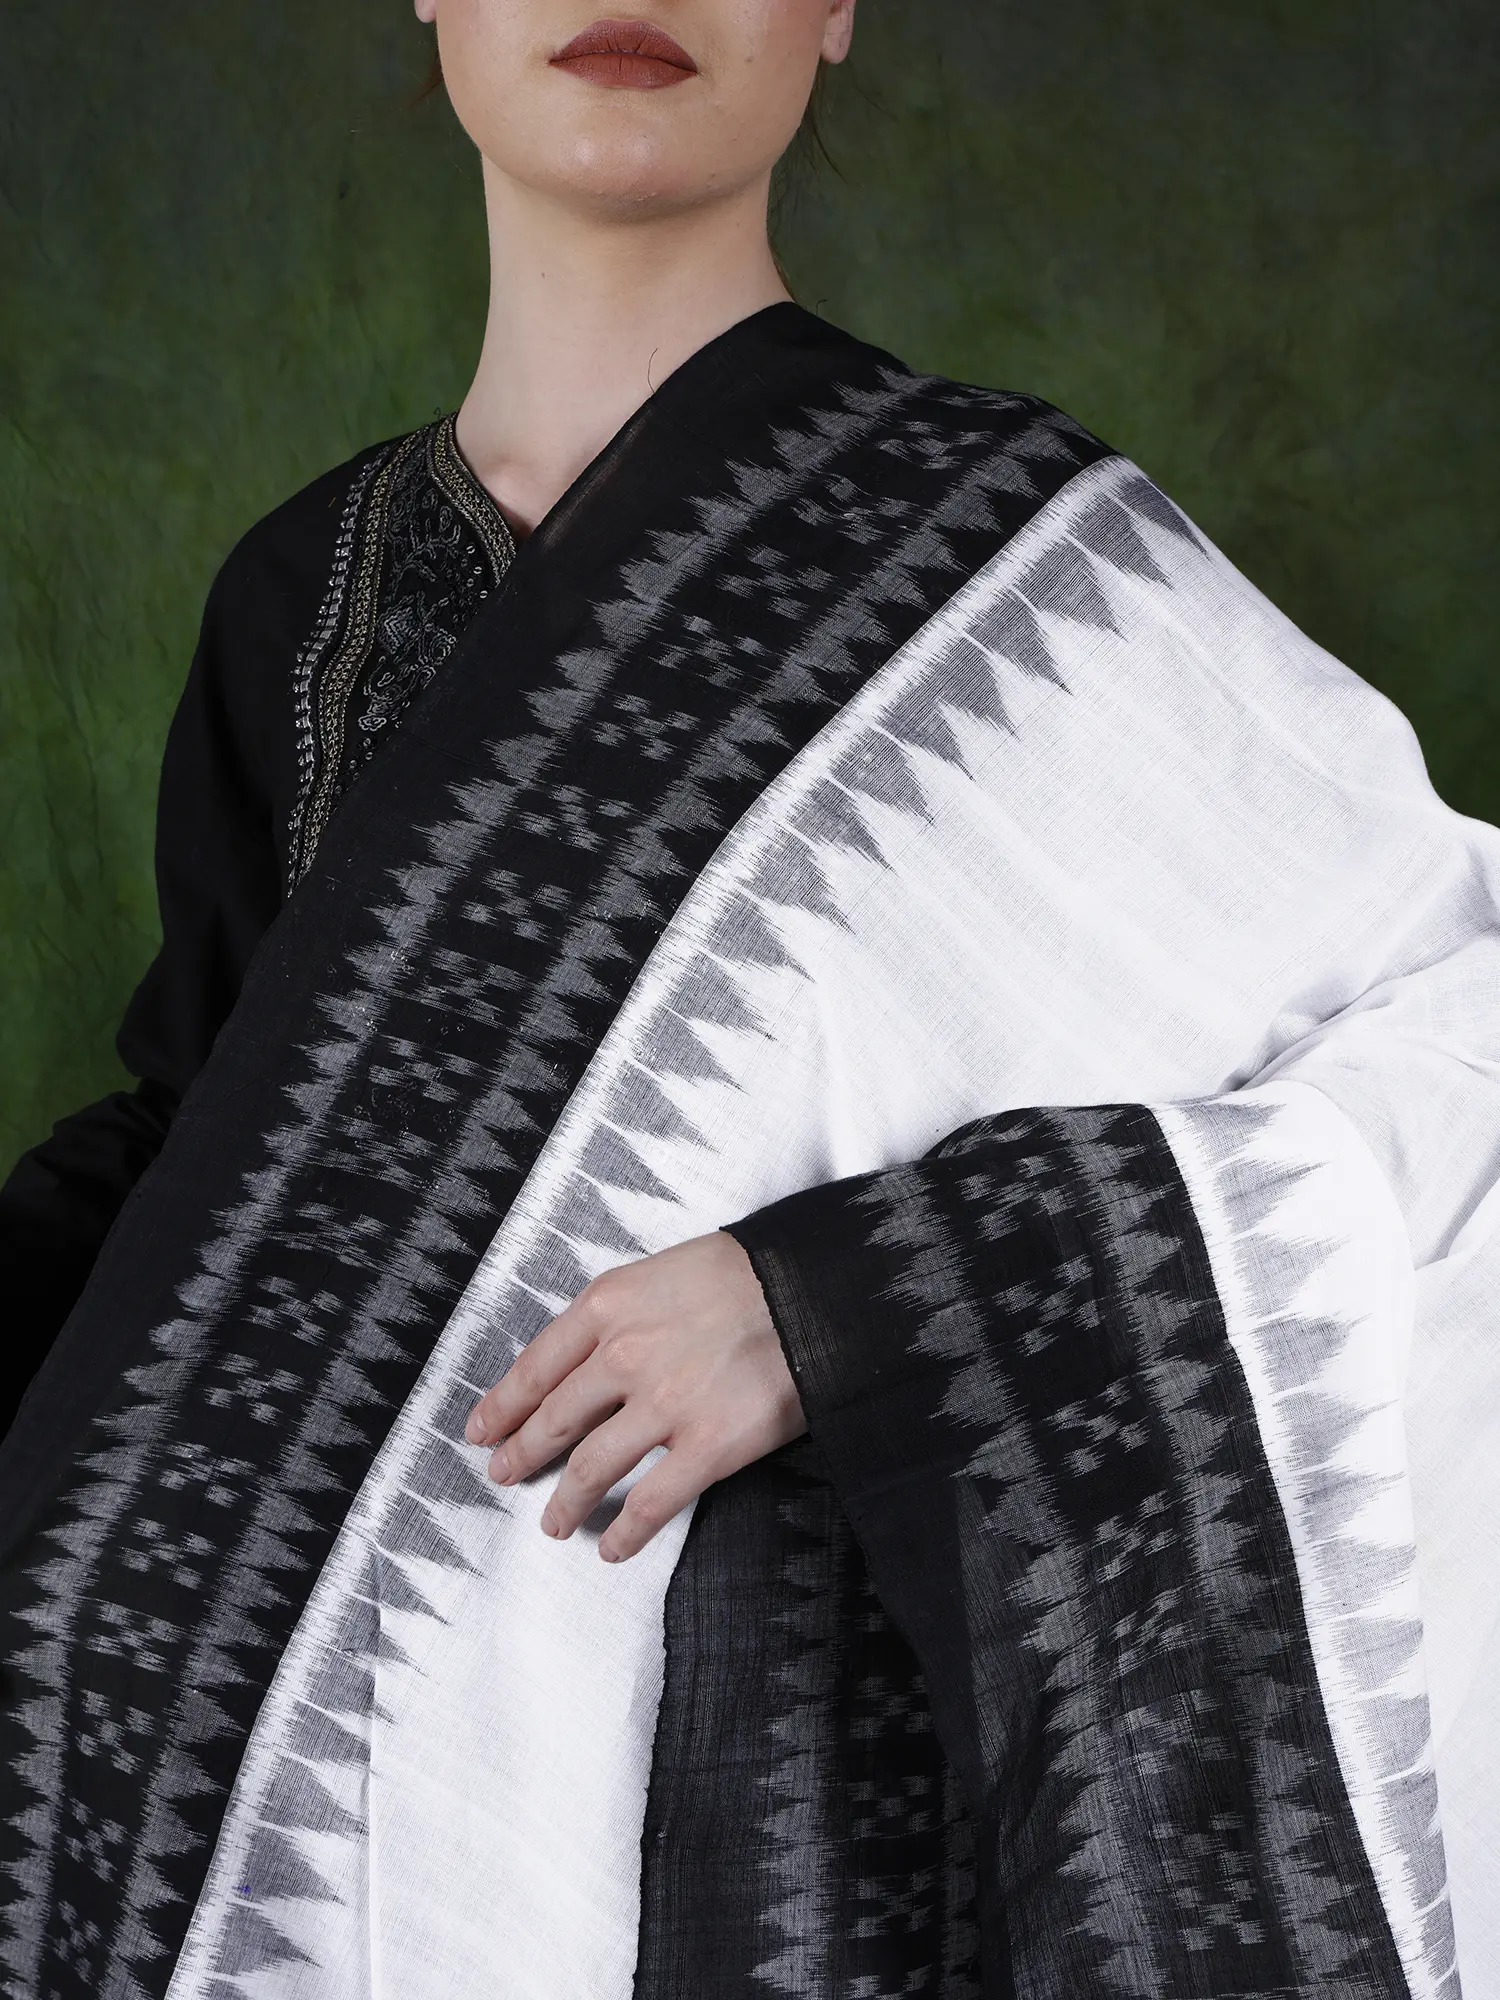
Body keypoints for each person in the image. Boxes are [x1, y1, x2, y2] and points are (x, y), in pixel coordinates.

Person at [1, 3, 1495, 1995]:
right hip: (333, 1830)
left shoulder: (1037, 575)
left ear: (835, 12)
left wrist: (853, 1298)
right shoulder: (306, 599)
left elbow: (1460, 1033)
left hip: (816, 1838)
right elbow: (206, 1155)